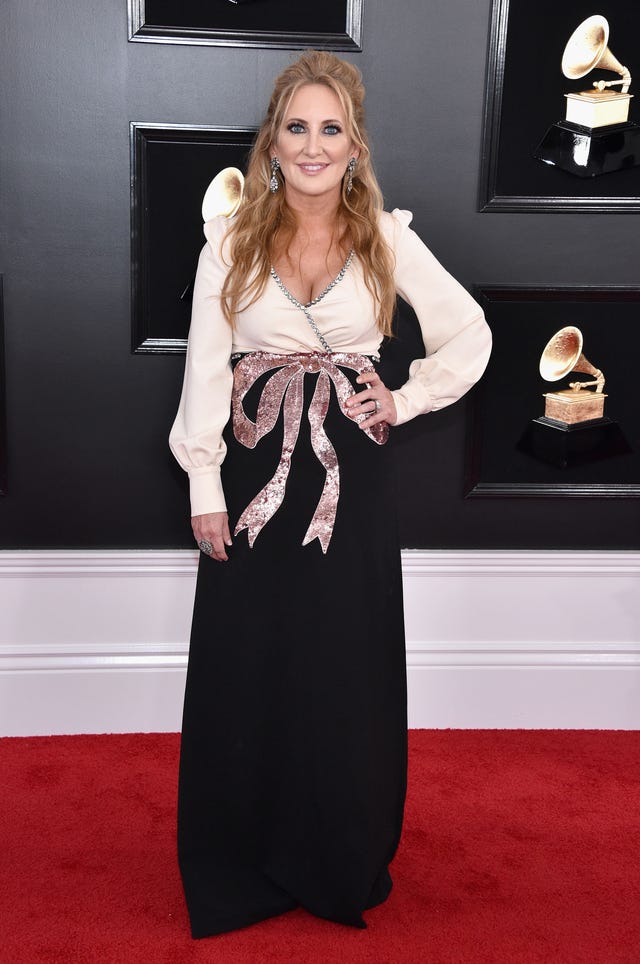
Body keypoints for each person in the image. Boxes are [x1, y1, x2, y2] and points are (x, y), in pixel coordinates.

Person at [169, 50, 491, 939]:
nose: (313, 145)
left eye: (331, 129)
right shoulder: (230, 243)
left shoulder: (386, 237)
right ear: (272, 144)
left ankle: (333, 854)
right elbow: (205, 370)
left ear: (355, 146)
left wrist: (406, 398)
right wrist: (203, 481)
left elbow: (469, 334)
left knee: (341, 666)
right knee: (248, 664)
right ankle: (240, 861)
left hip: (351, 473)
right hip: (251, 473)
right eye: (297, 127)